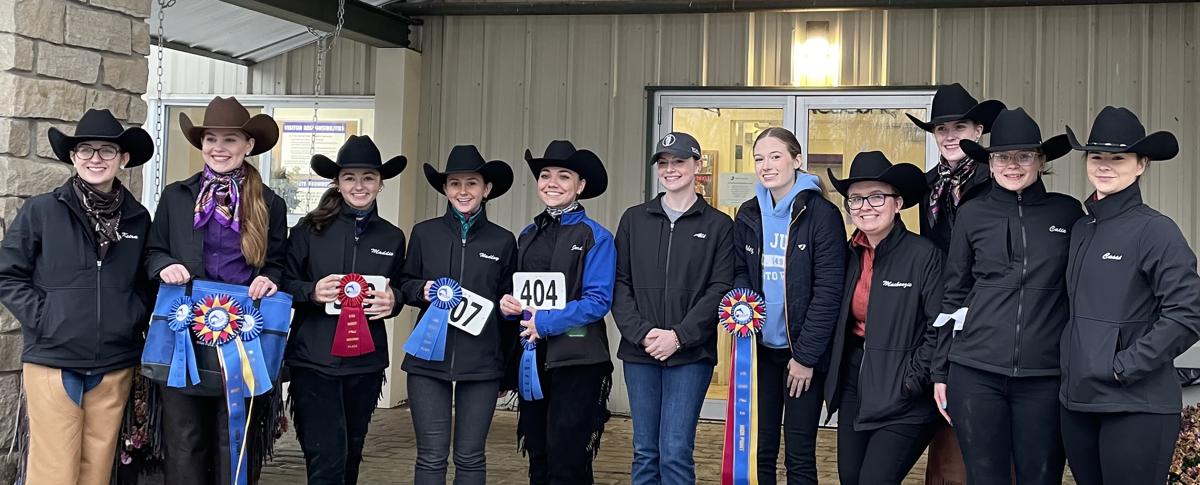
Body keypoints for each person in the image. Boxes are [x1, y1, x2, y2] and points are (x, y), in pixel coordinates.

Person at [0, 109, 154, 485]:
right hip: (54, 359)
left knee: (96, 470)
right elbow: (7, 273)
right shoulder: (42, 210)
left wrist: (130, 317)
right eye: (86, 149)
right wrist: (45, 317)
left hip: (113, 362)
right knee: (54, 470)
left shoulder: (137, 218)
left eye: (106, 150)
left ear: (123, 159)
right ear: (73, 157)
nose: (95, 159)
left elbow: (146, 283)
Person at [144, 96, 288, 485]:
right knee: (185, 439)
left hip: (243, 335)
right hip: (184, 333)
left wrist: (269, 278)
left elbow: (278, 263)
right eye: (211, 139)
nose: (218, 148)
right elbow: (153, 251)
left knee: (233, 439)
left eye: (230, 140)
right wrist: (164, 265)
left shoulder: (269, 203)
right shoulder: (176, 197)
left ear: (248, 145)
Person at [934, 108, 1083, 485]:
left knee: (1041, 477)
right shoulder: (972, 214)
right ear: (990, 162)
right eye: (1001, 157)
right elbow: (954, 292)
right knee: (985, 477)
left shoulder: (1068, 213)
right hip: (975, 372)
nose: (1012, 165)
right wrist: (940, 370)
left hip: (1045, 376)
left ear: (1041, 160)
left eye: (1023, 156)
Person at [1059, 106, 1200, 485]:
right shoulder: (1081, 229)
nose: (1104, 166)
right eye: (1096, 156)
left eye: (1118, 158)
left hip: (1136, 405)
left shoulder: (1156, 231)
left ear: (1141, 164)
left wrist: (1123, 366)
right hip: (1079, 403)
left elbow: (1188, 313)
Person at [282, 135, 407, 485]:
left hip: (365, 363)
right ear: (337, 182)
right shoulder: (309, 229)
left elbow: (400, 288)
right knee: (326, 458)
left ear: (380, 184)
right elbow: (283, 283)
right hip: (314, 360)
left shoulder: (393, 237)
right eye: (350, 177)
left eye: (368, 177)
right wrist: (311, 291)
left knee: (351, 454)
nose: (359, 186)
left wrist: (394, 300)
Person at [612, 132, 734, 485]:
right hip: (641, 352)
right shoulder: (634, 219)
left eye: (679, 161)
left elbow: (720, 288)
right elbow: (619, 282)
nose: (670, 169)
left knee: (676, 450)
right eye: (663, 163)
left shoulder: (719, 225)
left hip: (691, 355)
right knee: (645, 451)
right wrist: (642, 333)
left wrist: (679, 337)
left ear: (697, 165)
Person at [731, 127, 846, 484]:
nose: (766, 165)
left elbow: (829, 291)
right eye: (759, 159)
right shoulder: (748, 213)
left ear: (796, 160)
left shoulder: (822, 214)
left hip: (802, 356)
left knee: (799, 454)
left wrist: (806, 357)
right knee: (760, 450)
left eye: (775, 156)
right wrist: (743, 310)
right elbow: (740, 270)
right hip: (761, 353)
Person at [398, 145, 518, 485]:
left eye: (472, 183)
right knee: (431, 456)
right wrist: (420, 289)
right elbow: (404, 283)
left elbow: (509, 305)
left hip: (481, 363)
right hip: (427, 360)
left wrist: (506, 371)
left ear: (486, 189)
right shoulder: (424, 233)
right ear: (445, 189)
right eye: (454, 184)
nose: (463, 191)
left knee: (470, 456)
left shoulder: (503, 241)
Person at [498, 140, 615, 485]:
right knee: (538, 453)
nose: (552, 183)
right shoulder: (527, 235)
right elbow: (522, 295)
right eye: (545, 175)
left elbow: (598, 300)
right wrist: (510, 307)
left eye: (564, 176)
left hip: (578, 361)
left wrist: (545, 322)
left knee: (568, 459)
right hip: (532, 359)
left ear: (580, 186)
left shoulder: (596, 237)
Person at [822, 151, 941, 485]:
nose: (865, 207)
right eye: (855, 199)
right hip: (855, 385)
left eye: (876, 197)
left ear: (897, 203)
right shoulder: (848, 254)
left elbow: (939, 326)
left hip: (904, 394)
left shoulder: (924, 256)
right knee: (850, 477)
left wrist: (913, 380)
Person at [908, 82, 1006, 252]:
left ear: (978, 131)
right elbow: (928, 246)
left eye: (959, 127)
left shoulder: (997, 178)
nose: (950, 137)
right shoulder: (928, 185)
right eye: (941, 129)